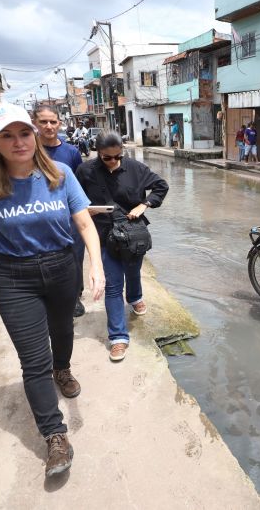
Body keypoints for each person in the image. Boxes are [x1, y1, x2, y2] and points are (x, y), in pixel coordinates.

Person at [0, 103, 105, 477]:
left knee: (62, 332)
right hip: (13, 276)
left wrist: (96, 268)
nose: (18, 141)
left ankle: (64, 369)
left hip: (61, 268)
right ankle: (55, 435)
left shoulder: (60, 174)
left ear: (35, 135)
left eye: (23, 133)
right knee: (32, 360)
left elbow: (85, 225)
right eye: (6, 135)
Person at [76, 131, 169, 362]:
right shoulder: (85, 171)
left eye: (118, 156)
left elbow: (161, 186)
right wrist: (87, 210)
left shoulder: (135, 168)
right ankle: (118, 337)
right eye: (108, 158)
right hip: (103, 234)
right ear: (98, 153)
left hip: (133, 233)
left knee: (133, 270)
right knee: (113, 285)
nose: (114, 162)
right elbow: (74, 199)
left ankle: (136, 297)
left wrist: (144, 204)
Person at [32, 105, 87, 317]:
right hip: (39, 215)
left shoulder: (71, 152)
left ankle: (74, 297)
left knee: (75, 256)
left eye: (53, 121)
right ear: (35, 124)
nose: (48, 126)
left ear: (59, 123)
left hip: (69, 216)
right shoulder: (29, 150)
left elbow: (80, 185)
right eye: (43, 122)